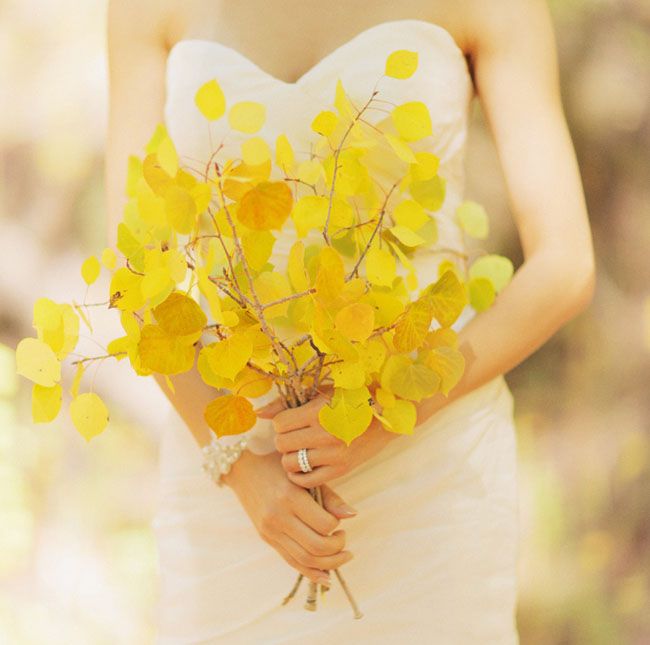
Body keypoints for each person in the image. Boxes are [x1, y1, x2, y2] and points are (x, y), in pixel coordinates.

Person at [105, 1, 595, 642]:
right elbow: (133, 273)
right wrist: (239, 467)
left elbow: (565, 264)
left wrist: (385, 414)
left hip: (432, 473)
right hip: (232, 479)